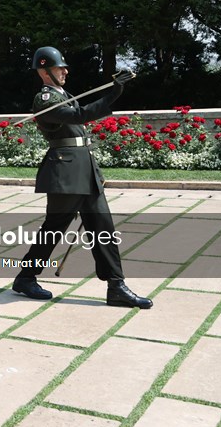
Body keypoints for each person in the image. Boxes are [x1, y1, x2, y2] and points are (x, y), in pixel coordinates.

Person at [12, 46, 151, 308]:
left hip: (83, 171)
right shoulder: (44, 99)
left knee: (103, 228)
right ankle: (26, 277)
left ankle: (116, 285)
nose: (65, 71)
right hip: (65, 172)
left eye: (64, 67)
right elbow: (79, 115)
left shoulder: (65, 94)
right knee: (54, 229)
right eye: (58, 68)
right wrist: (113, 93)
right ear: (44, 71)